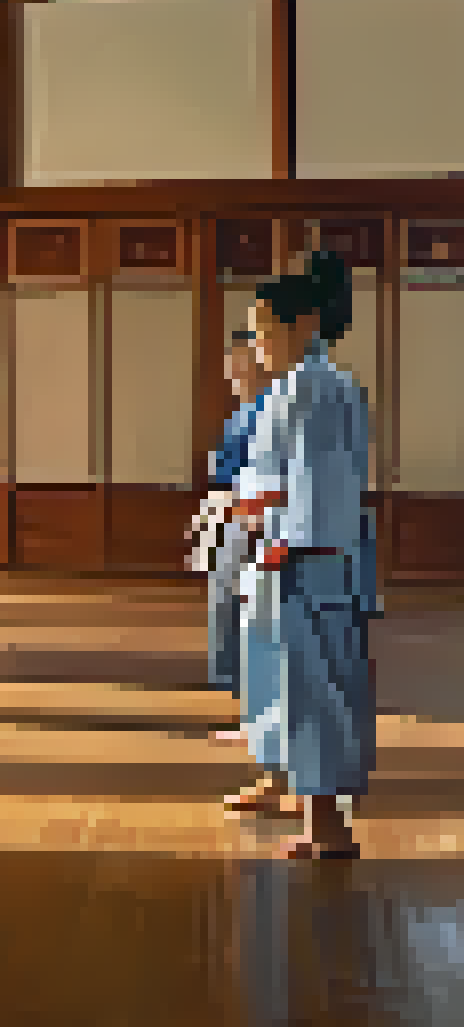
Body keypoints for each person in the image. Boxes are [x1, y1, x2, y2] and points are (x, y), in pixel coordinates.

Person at [222, 251, 374, 861]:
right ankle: (289, 786)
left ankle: (327, 824)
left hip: (308, 556)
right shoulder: (295, 386)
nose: (257, 346)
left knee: (314, 686)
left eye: (264, 333)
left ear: (304, 324)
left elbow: (319, 480)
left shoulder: (317, 386)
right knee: (279, 678)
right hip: (285, 547)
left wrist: (292, 540)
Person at [192, 330, 266, 727]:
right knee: (222, 593)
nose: (234, 372)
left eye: (241, 363)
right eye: (230, 365)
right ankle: (226, 677)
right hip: (226, 507)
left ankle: (239, 680)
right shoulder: (239, 413)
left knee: (239, 597)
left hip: (249, 512)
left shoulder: (269, 411)